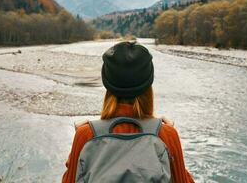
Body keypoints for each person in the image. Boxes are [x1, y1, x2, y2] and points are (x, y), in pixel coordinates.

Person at [62, 41, 194, 183]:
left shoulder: (86, 134)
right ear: (148, 87)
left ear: (108, 86)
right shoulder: (166, 135)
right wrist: (169, 139)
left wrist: (79, 141)